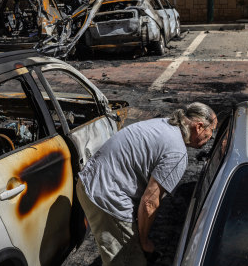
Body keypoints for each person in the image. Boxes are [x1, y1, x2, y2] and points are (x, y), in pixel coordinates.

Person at [76, 102, 217, 266]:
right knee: (131, 261)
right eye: (211, 132)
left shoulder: (163, 124)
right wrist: (143, 241)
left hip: (88, 181)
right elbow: (149, 202)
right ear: (199, 127)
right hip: (106, 196)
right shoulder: (177, 153)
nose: (210, 138)